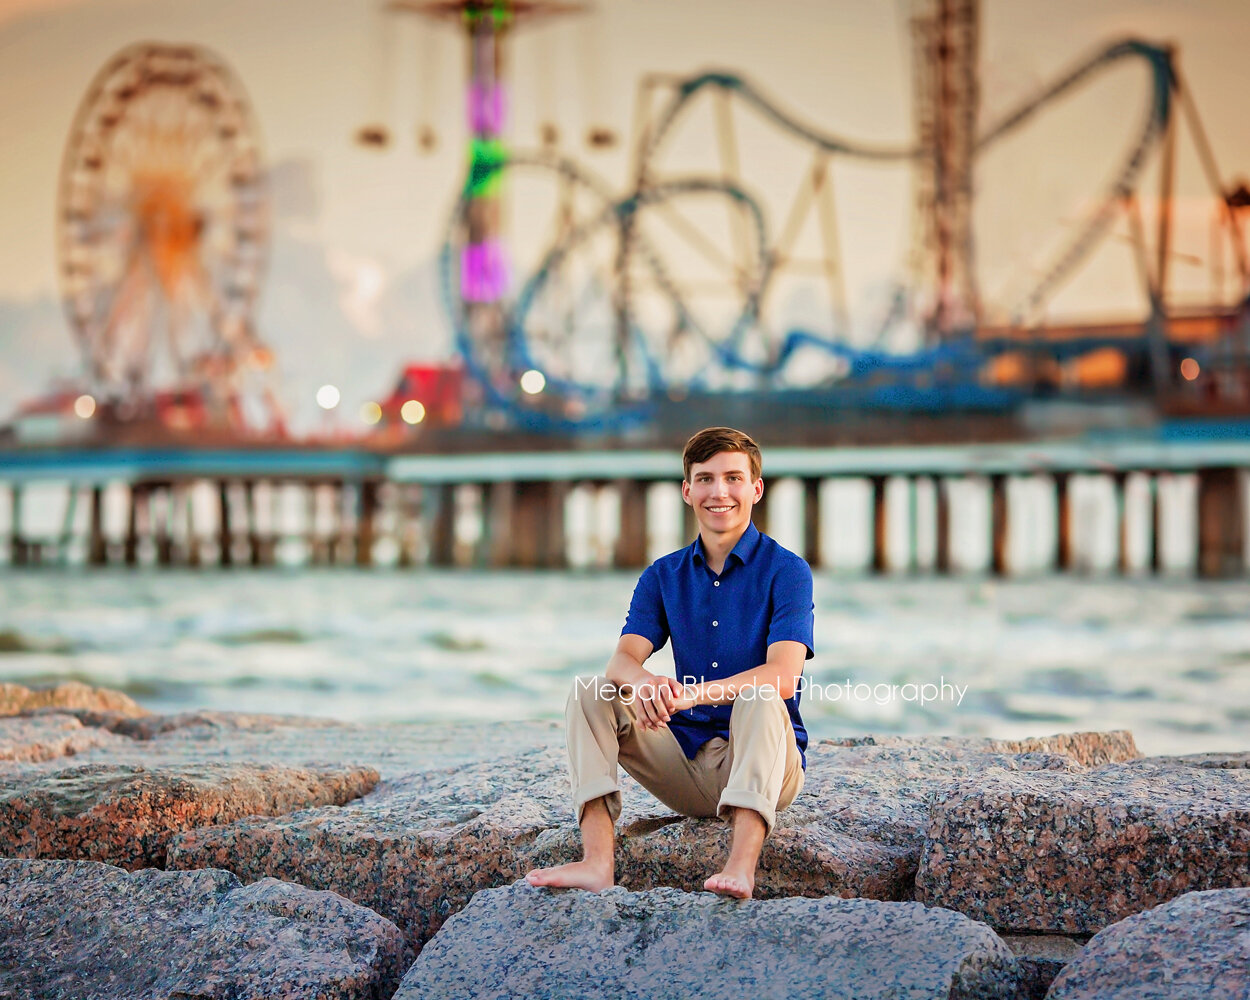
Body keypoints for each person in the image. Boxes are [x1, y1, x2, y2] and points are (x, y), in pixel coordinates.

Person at [526, 426, 812, 899]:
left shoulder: (787, 571)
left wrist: (687, 695)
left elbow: (783, 676)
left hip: (765, 763)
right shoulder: (663, 575)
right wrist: (644, 683)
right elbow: (622, 660)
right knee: (589, 691)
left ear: (756, 489)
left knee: (760, 697)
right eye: (705, 479)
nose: (719, 492)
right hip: (684, 763)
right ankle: (597, 862)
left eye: (733, 478)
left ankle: (741, 866)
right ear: (687, 490)